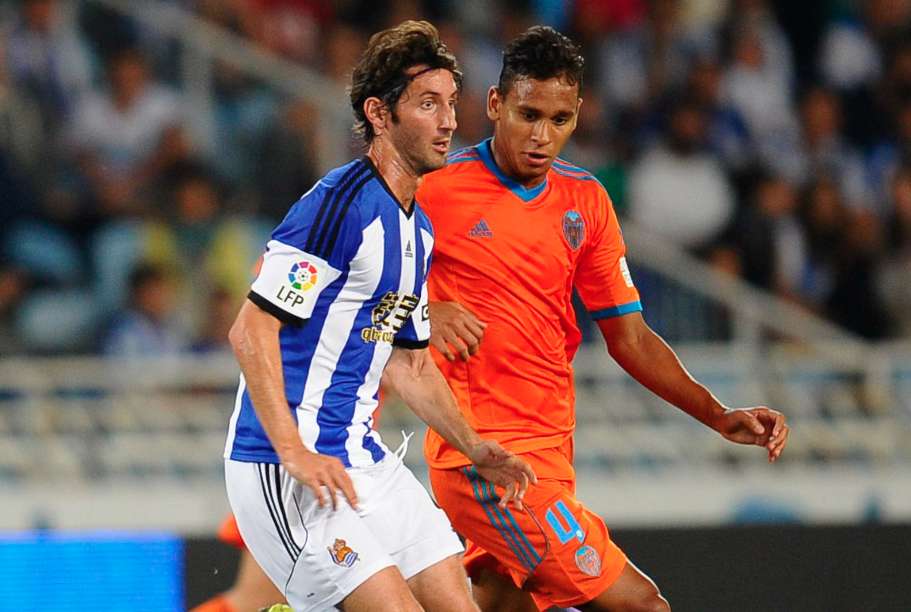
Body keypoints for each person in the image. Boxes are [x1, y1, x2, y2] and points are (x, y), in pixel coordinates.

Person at [417, 26, 791, 612]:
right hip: (484, 459)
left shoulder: (585, 202)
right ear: (494, 104)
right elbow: (353, 291)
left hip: (551, 453)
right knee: (642, 605)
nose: (542, 136)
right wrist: (423, 311)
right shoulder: (435, 190)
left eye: (559, 119)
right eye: (528, 115)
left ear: (578, 114)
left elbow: (630, 338)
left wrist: (717, 414)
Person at [223, 21, 536, 612]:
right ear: (379, 113)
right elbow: (251, 329)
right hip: (287, 466)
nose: (448, 121)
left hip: (360, 458)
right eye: (427, 104)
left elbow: (409, 365)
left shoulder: (418, 229)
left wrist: (474, 446)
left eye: (450, 103)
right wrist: (293, 451)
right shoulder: (337, 207)